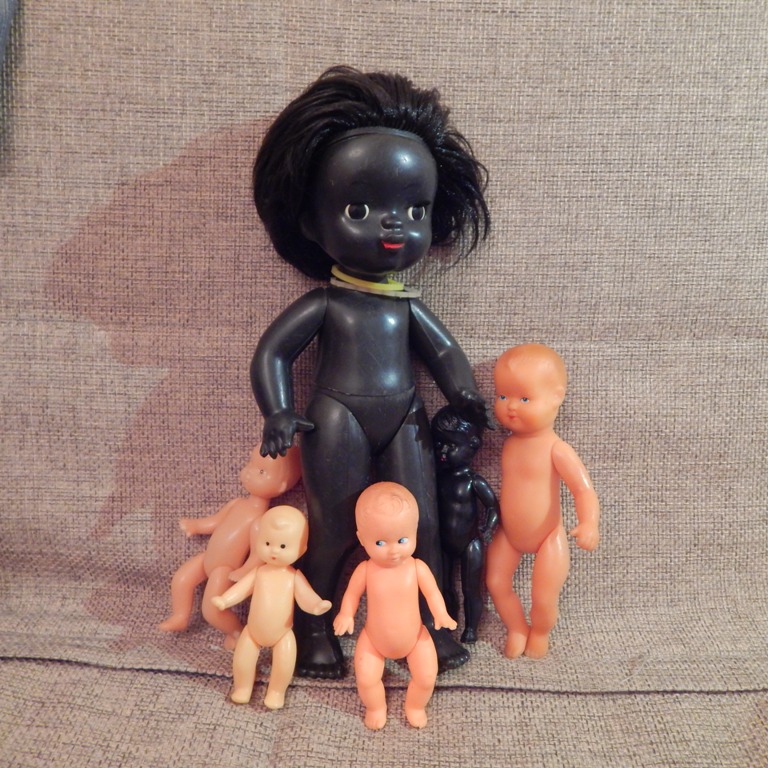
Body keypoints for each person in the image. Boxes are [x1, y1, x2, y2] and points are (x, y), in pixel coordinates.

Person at [250, 67, 490, 678]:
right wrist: (278, 411)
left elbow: (445, 354)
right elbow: (273, 353)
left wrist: (465, 396)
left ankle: (435, 629)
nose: (393, 224)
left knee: (421, 522)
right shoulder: (325, 304)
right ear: (312, 222)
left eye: (415, 209)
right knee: (333, 526)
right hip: (338, 417)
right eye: (360, 208)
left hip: (404, 414)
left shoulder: (405, 306)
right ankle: (314, 631)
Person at [486, 344, 600, 659]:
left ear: (556, 397)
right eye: (502, 396)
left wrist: (589, 523)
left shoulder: (556, 448)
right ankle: (516, 627)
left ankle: (539, 631)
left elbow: (583, 489)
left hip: (549, 537)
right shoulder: (509, 444)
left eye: (525, 399)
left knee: (543, 598)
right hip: (510, 534)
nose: (511, 407)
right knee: (495, 582)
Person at [333, 482, 456, 730]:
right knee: (366, 679)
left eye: (402, 540)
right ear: (362, 539)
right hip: (373, 639)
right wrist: (346, 613)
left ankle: (415, 706)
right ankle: (375, 707)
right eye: (380, 543)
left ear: (415, 533)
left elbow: (433, 593)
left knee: (426, 677)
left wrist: (441, 613)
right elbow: (352, 595)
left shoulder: (417, 568)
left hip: (415, 637)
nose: (393, 551)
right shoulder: (365, 570)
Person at [158, 447, 300, 649]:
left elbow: (258, 553)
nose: (250, 472)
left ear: (281, 486)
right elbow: (215, 521)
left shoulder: (261, 521)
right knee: (181, 580)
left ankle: (237, 633)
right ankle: (180, 616)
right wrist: (196, 526)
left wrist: (245, 570)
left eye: (261, 471)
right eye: (251, 464)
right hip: (207, 557)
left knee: (212, 610)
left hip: (224, 569)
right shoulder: (237, 503)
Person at [211, 505, 331, 709]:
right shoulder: (259, 573)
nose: (274, 550)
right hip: (252, 631)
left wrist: (316, 605)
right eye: (267, 543)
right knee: (242, 660)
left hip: (282, 633)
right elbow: (241, 589)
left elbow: (305, 596)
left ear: (301, 549)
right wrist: (225, 600)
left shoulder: (293, 577)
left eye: (283, 546)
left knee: (284, 664)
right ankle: (242, 687)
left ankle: (276, 691)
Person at [432, 406, 499, 643]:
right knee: (443, 586)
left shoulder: (473, 481)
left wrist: (488, 527)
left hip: (470, 543)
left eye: (451, 445)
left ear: (472, 446)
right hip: (443, 543)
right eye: (439, 444)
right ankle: (447, 621)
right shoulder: (437, 478)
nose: (443, 451)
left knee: (471, 589)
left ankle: (471, 628)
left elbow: (493, 506)